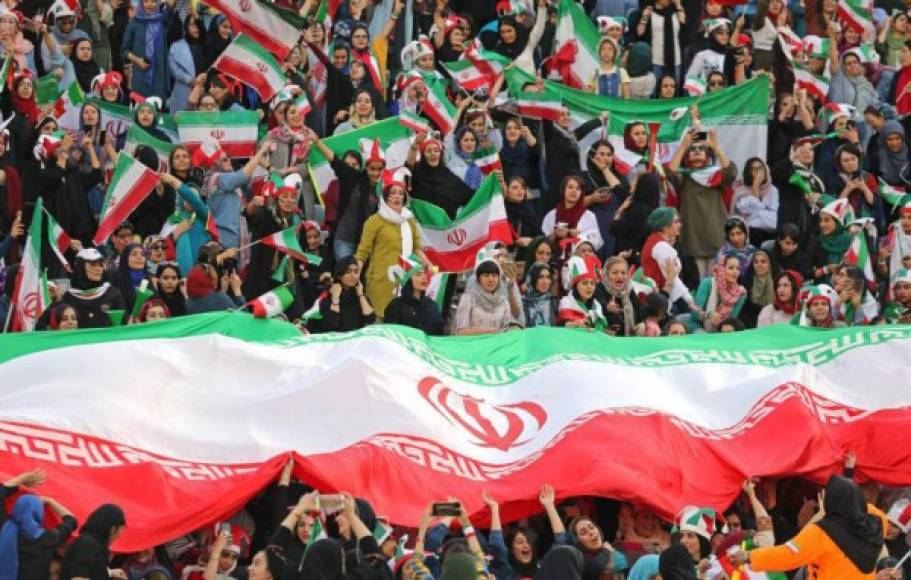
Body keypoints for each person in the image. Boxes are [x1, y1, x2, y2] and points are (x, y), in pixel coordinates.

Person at [737, 475, 888, 579]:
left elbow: (789, 555)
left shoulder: (822, 533)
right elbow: (856, 504)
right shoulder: (878, 522)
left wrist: (750, 557)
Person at [354, 169, 427, 319]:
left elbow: (417, 249)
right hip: (381, 282)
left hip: (406, 281)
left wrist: (432, 267)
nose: (397, 197)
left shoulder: (410, 221)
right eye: (393, 193)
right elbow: (362, 253)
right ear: (386, 197)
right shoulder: (374, 221)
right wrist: (355, 273)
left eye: (401, 193)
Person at [0, 494, 78, 580]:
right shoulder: (48, 538)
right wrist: (50, 501)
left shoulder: (4, 527)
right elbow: (72, 521)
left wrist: (22, 479)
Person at [453, 256, 522, 335]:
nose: (491, 279)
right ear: (478, 279)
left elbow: (506, 330)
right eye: (486, 275)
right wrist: (496, 331)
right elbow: (461, 332)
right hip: (472, 345)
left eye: (494, 275)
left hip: (497, 345)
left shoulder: (503, 302)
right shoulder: (468, 298)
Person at [60, 504, 126, 580]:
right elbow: (78, 577)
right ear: (112, 529)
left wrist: (109, 572)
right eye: (121, 530)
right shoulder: (89, 546)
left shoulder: (91, 543)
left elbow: (91, 570)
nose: (119, 535)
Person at [63, 248, 126, 328]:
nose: (99, 268)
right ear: (81, 267)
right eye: (93, 264)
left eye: (100, 264)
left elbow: (124, 323)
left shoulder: (112, 293)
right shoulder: (68, 297)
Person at [314, 257, 376, 332]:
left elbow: (370, 319)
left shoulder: (359, 295)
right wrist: (335, 299)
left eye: (356, 272)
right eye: (348, 272)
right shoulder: (328, 295)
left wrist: (361, 295)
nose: (353, 275)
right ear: (339, 275)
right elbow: (332, 326)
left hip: (358, 340)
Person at [384, 266, 445, 335]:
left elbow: (439, 334)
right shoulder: (396, 305)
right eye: (419, 274)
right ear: (408, 279)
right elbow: (390, 334)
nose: (424, 277)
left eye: (425, 274)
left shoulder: (432, 305)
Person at [523, 262, 557, 328]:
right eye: (540, 277)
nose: (545, 281)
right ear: (533, 279)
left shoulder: (554, 302)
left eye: (548, 277)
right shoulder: (524, 302)